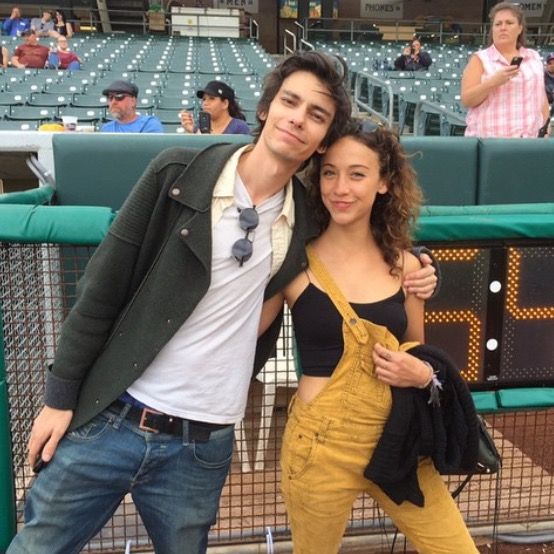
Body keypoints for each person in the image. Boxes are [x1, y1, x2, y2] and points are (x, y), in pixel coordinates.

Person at [6, 51, 436, 554]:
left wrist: (418, 263)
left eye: (316, 115)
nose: (298, 117)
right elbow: (100, 290)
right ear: (266, 107)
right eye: (290, 101)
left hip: (202, 446)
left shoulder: (310, 223)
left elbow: (365, 244)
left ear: (321, 140)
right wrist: (60, 397)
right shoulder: (176, 172)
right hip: (110, 417)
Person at [258, 120, 477, 553]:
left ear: (383, 183)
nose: (340, 187)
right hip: (319, 448)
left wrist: (422, 374)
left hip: (399, 439)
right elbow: (240, 333)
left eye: (357, 174)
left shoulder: (408, 266)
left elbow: (417, 345)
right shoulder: (292, 262)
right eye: (329, 172)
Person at [461, 2, 550, 138]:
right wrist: (493, 82)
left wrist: (543, 124)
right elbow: (467, 100)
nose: (503, 28)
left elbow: (540, 95)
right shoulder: (480, 59)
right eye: (498, 24)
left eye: (509, 23)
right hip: (488, 143)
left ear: (520, 28)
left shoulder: (534, 57)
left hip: (528, 142)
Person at [180, 80, 251, 135]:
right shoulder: (200, 126)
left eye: (211, 98)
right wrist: (191, 130)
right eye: (204, 99)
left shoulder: (240, 128)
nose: (205, 103)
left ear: (225, 104)